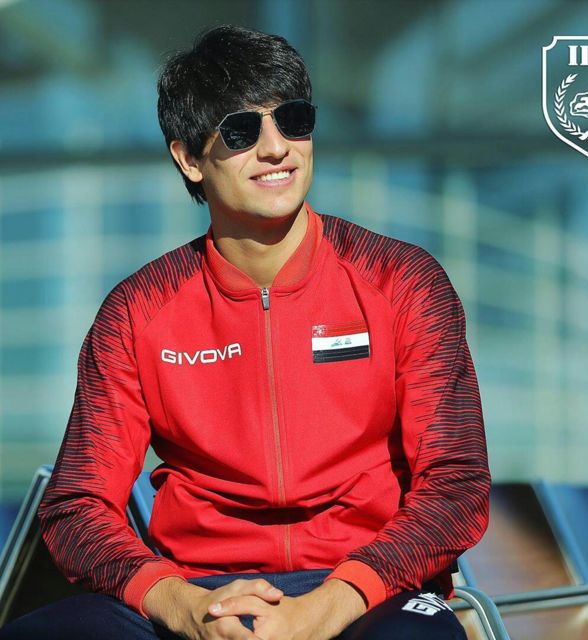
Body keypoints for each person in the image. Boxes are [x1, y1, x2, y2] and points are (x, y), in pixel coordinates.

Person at [0, 24, 490, 640]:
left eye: (293, 120)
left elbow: (456, 486)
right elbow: (78, 507)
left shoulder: (403, 283)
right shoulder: (136, 311)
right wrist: (179, 603)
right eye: (240, 131)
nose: (276, 148)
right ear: (188, 158)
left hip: (368, 594)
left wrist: (327, 606)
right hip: (200, 593)